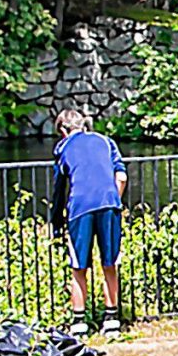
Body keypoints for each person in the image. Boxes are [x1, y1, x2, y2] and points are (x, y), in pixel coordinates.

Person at [50, 108, 128, 335]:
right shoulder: (106, 141)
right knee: (110, 263)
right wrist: (113, 198)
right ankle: (112, 319)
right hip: (109, 204)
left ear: (64, 130)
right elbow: (121, 176)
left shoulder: (64, 148)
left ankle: (79, 322)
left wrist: (56, 224)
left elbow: (59, 189)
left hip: (80, 207)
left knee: (79, 267)